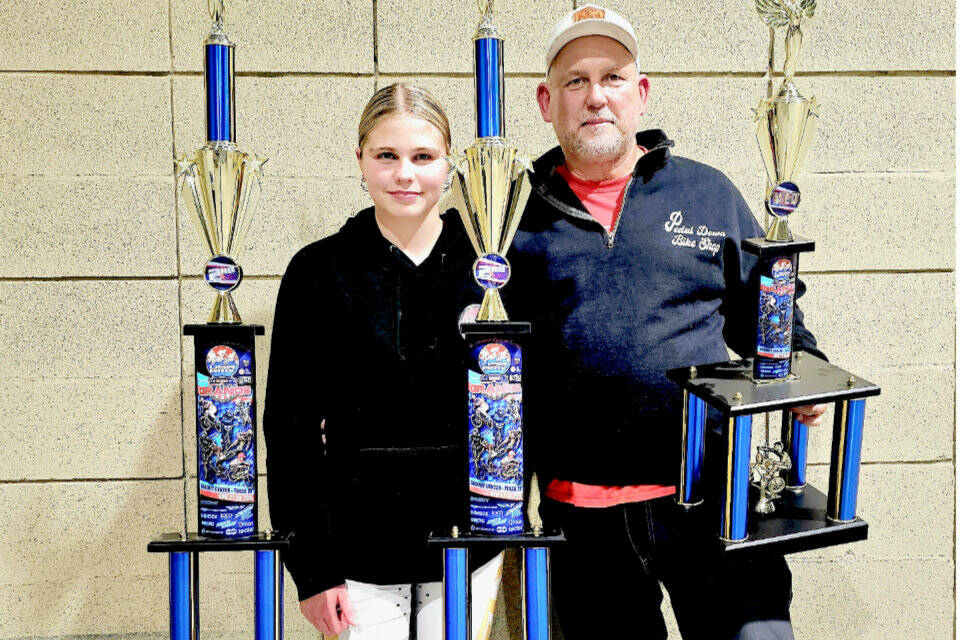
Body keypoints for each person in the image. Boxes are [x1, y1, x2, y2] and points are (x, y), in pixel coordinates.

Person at [506, 6, 828, 640]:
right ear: (547, 101)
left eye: (613, 77)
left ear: (641, 93)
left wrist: (804, 371)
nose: (595, 96)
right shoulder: (508, 213)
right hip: (584, 523)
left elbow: (770, 311)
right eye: (575, 81)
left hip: (714, 503)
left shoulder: (706, 192)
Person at [263, 83, 502, 640]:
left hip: (468, 543)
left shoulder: (489, 270)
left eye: (423, 157)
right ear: (361, 161)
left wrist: (503, 525)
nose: (405, 174)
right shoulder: (318, 271)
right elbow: (290, 428)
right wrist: (312, 569)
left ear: (450, 163)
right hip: (355, 554)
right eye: (386, 156)